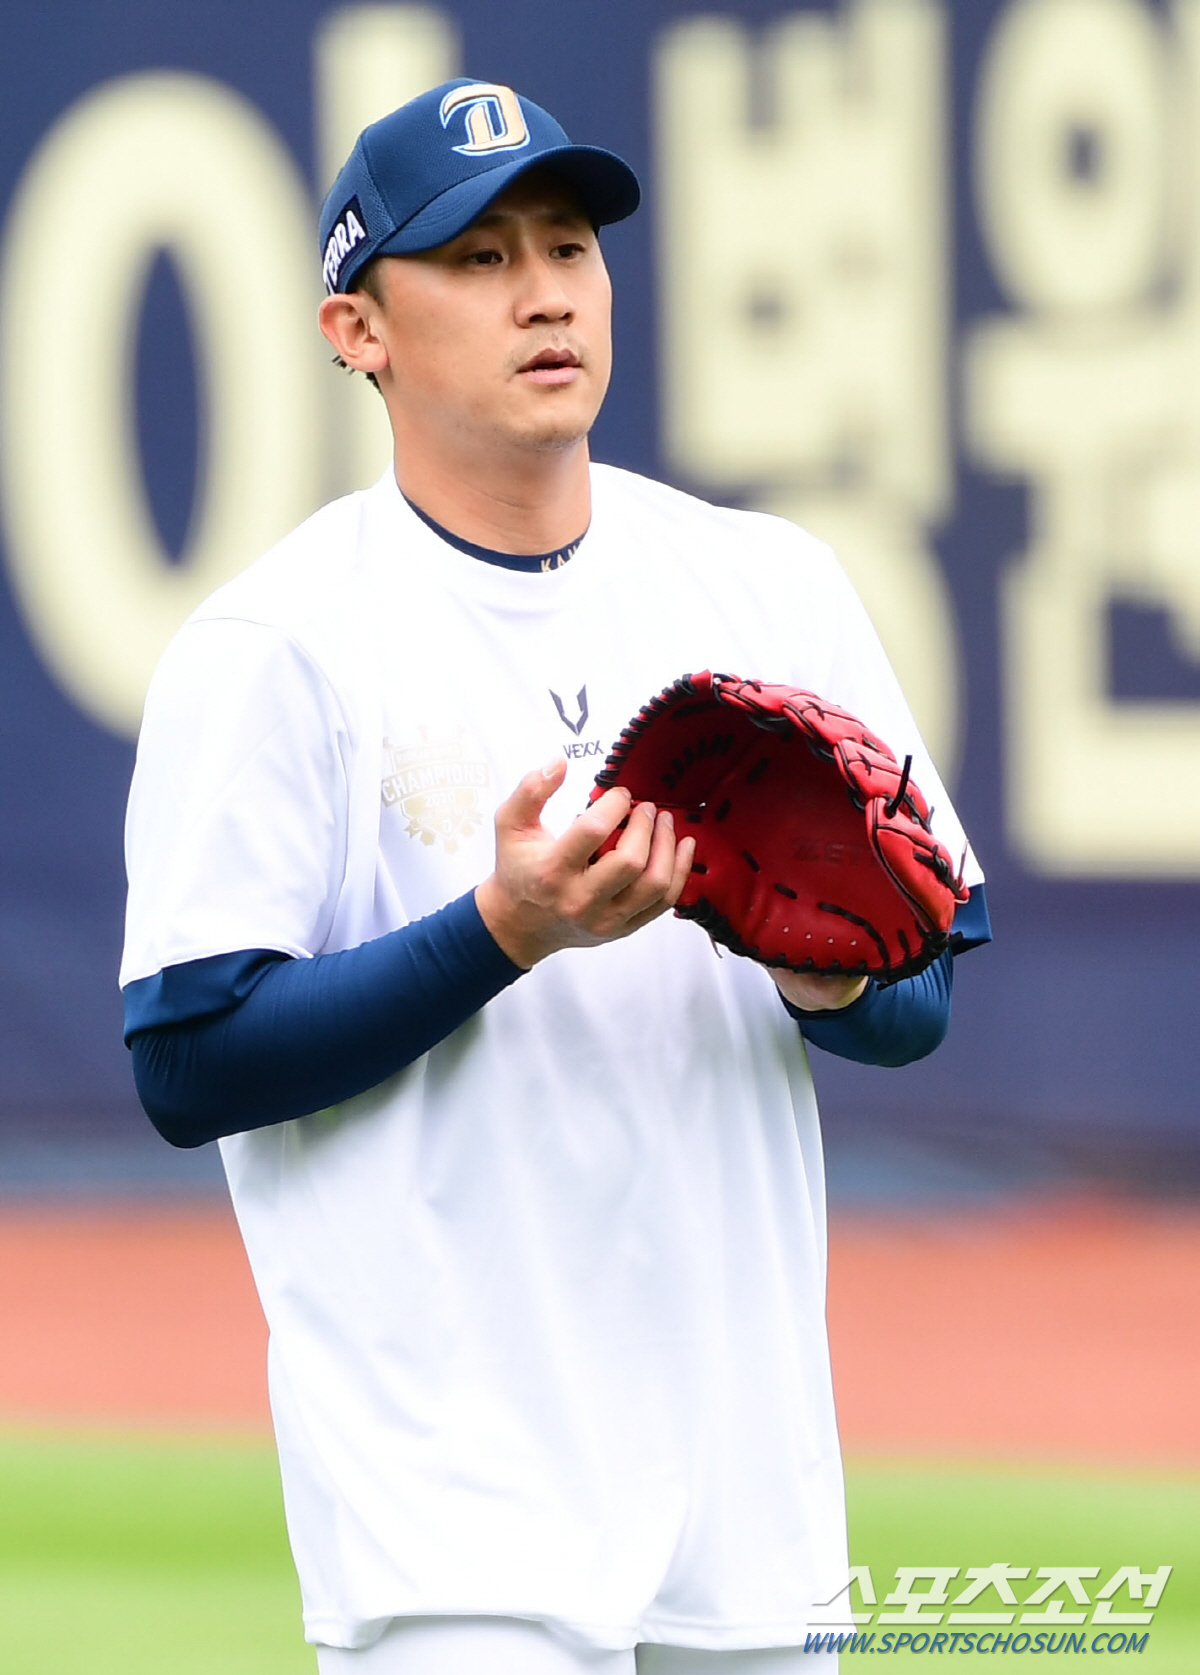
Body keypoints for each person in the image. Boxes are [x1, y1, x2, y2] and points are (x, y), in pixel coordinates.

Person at [121, 79, 990, 1675]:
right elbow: (186, 1063)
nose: (543, 293)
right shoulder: (276, 645)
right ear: (356, 329)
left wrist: (827, 970)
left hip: (752, 1511)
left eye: (570, 245)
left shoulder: (767, 585)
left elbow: (921, 993)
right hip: (453, 1531)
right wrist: (500, 933)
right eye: (477, 257)